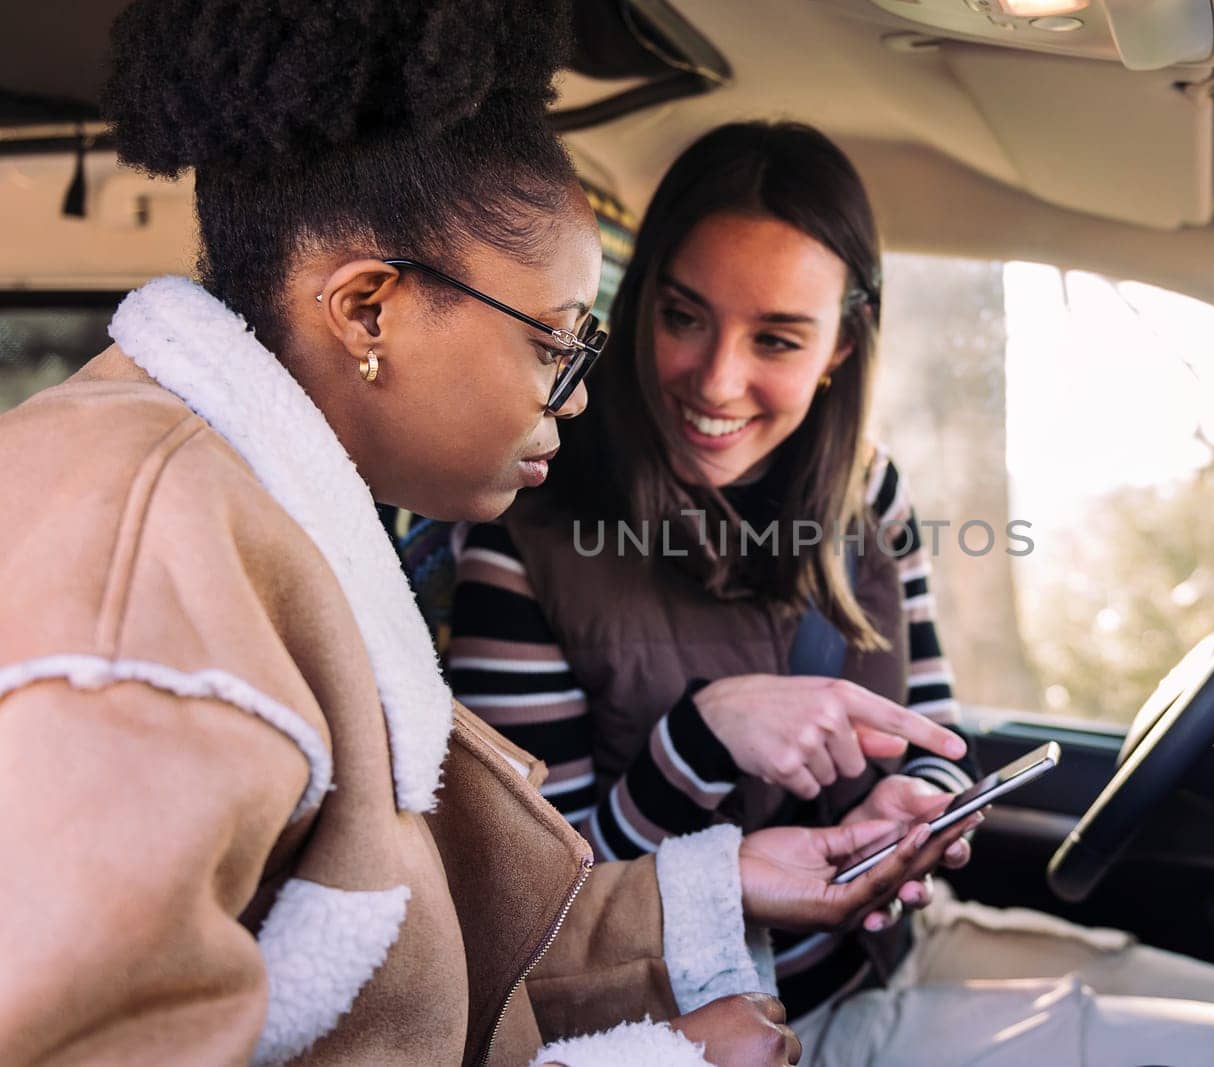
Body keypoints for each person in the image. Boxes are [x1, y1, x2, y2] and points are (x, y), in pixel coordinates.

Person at [0, 8, 978, 1066]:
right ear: (369, 309)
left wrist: (718, 885)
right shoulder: (138, 581)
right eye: (556, 341)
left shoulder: (271, 521)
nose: (579, 397)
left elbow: (421, 959)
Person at [450, 121, 1214, 1066]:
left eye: (778, 338)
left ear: (841, 346)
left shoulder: (867, 497)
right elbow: (540, 904)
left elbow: (931, 726)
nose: (717, 378)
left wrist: (918, 807)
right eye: (684, 317)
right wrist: (700, 739)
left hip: (893, 949)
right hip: (742, 1020)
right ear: (638, 307)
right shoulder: (529, 527)